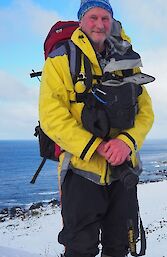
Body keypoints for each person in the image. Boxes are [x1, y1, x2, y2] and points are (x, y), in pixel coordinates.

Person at [39, 0, 154, 256]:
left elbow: (145, 111)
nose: (99, 24)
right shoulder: (61, 59)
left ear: (112, 20)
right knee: (80, 249)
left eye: (105, 18)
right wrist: (98, 147)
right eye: (93, 17)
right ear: (81, 20)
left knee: (120, 246)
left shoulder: (127, 58)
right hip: (81, 172)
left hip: (123, 171)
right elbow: (51, 117)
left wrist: (126, 142)